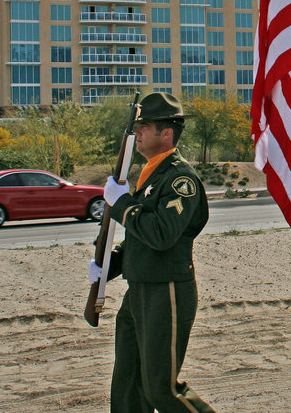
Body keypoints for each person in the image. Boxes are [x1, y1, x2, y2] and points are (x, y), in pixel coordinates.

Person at [87, 92, 216, 413]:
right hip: (140, 289)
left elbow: (160, 234)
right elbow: (138, 237)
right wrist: (110, 263)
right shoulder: (151, 175)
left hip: (167, 291)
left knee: (161, 389)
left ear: (167, 133)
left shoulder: (179, 178)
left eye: (144, 126)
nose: (137, 133)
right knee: (128, 387)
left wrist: (122, 204)